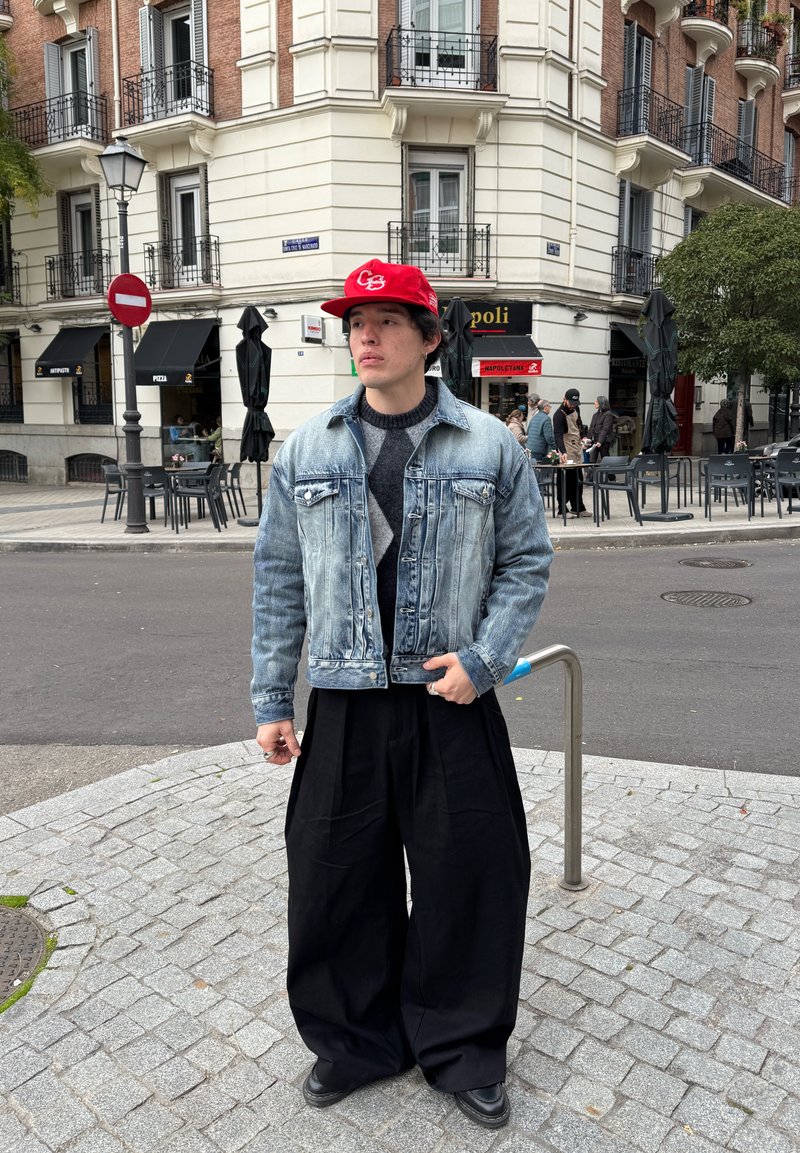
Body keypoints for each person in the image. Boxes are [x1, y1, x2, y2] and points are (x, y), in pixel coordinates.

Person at [251, 258, 553, 1131]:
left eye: (387, 320)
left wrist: (486, 659)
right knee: (333, 879)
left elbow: (527, 562)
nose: (366, 335)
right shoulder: (307, 448)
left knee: (472, 875)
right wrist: (275, 697)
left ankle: (460, 1047)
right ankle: (355, 1041)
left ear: (430, 338)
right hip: (342, 701)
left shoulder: (489, 445)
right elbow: (277, 577)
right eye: (355, 322)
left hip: (448, 696)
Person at [552, 388, 589, 516]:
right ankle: (562, 509)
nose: (573, 406)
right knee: (565, 481)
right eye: (571, 403)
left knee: (578, 479)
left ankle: (578, 507)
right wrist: (563, 451)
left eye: (575, 403)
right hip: (566, 449)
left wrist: (583, 437)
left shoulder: (576, 409)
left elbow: (579, 424)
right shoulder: (558, 415)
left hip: (577, 449)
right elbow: (557, 436)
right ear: (564, 399)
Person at [588, 395, 616, 464]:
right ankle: (591, 474)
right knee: (592, 460)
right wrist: (587, 439)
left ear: (601, 403)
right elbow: (591, 428)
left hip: (604, 441)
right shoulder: (595, 415)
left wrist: (600, 441)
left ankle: (610, 474)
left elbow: (605, 430)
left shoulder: (608, 414)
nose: (594, 402)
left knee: (605, 459)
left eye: (596, 401)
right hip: (595, 441)